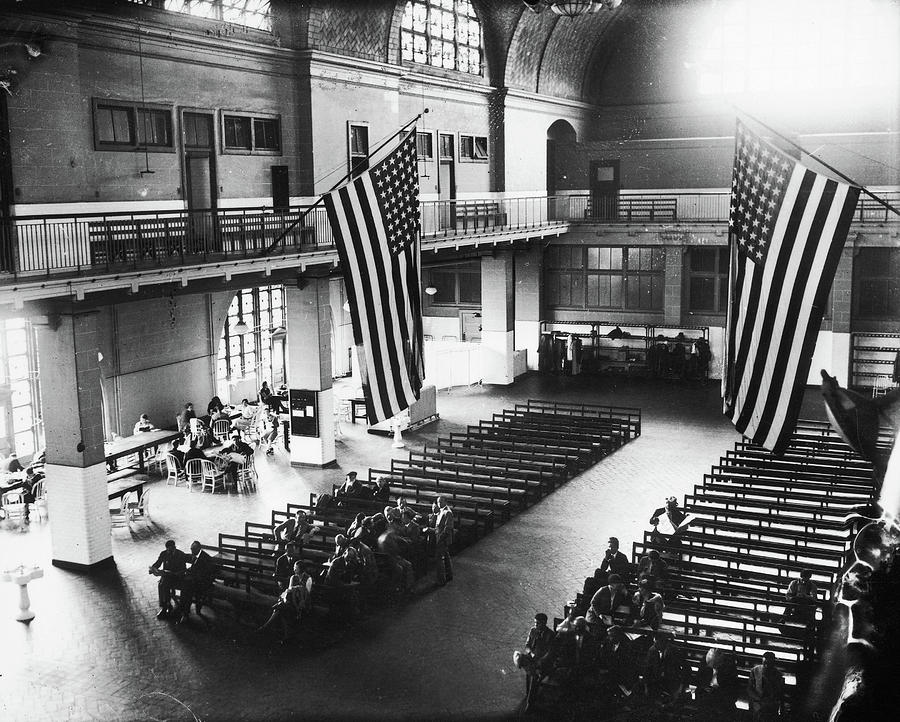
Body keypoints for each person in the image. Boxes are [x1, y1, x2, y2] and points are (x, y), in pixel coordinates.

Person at [258, 561, 311, 643]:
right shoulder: (293, 577)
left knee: (280, 610)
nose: (294, 569)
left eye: (295, 568)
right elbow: (290, 591)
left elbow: (307, 594)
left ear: (301, 569)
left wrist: (297, 590)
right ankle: (286, 637)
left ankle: (265, 627)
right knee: (283, 611)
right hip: (291, 601)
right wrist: (295, 590)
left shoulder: (308, 578)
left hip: (301, 602)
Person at [175, 541, 216, 623]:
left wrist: (192, 575)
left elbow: (206, 574)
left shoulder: (205, 558)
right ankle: (183, 611)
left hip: (204, 583)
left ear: (199, 549)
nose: (191, 551)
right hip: (196, 580)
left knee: (187, 589)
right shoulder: (197, 555)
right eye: (191, 549)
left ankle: (184, 612)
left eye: (193, 549)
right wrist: (187, 571)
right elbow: (194, 569)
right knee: (186, 587)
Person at [643, 632, 687, 706]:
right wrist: (646, 686)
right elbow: (647, 669)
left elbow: (686, 668)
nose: (655, 645)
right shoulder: (653, 650)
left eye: (657, 643)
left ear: (663, 642)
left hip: (671, 683)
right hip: (657, 682)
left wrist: (681, 687)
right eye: (654, 643)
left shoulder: (674, 651)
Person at [148, 540, 189, 619]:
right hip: (167, 576)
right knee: (161, 585)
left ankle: (166, 606)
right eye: (168, 550)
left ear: (174, 547)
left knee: (163, 584)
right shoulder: (164, 553)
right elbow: (158, 563)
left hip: (177, 578)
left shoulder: (180, 554)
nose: (169, 552)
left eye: (171, 550)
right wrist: (153, 568)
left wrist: (176, 573)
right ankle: (165, 606)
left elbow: (183, 569)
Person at [747, 652, 784, 721]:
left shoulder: (777, 674)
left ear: (773, 664)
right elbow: (750, 689)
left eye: (769, 664)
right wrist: (758, 699)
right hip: (757, 701)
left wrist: (768, 701)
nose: (766, 666)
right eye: (765, 663)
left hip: (770, 703)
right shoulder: (755, 671)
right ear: (762, 662)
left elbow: (778, 693)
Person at [434, 496, 454, 585]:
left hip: (443, 538)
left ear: (446, 502)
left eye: (441, 502)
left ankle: (441, 580)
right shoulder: (441, 510)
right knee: (446, 556)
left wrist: (440, 539)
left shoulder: (448, 512)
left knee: (439, 559)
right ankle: (449, 575)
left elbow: (448, 528)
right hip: (440, 536)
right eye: (438, 502)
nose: (439, 504)